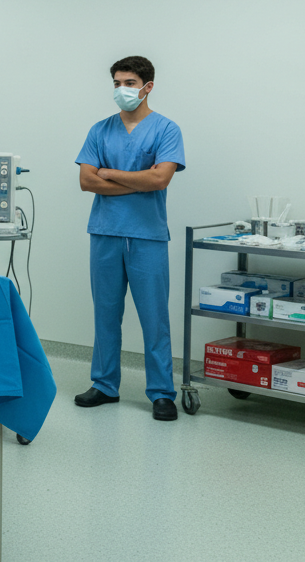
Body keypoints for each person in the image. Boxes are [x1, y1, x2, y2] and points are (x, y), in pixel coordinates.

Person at [74, 55, 185, 421]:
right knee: (105, 313)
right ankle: (104, 384)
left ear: (147, 87)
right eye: (117, 84)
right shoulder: (99, 130)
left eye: (129, 84)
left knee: (154, 318)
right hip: (105, 233)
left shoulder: (167, 130)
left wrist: (110, 174)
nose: (122, 90)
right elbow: (87, 181)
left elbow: (159, 180)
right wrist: (134, 179)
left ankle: (161, 393)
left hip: (147, 235)